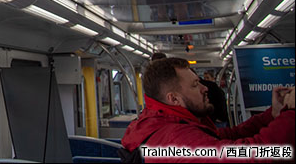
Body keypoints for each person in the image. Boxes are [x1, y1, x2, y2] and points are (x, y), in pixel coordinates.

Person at [122, 58, 294, 162]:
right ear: (174, 99)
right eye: (195, 85)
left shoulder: (162, 122)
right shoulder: (175, 140)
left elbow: (223, 136)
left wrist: (272, 115)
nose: (205, 88)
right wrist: (291, 113)